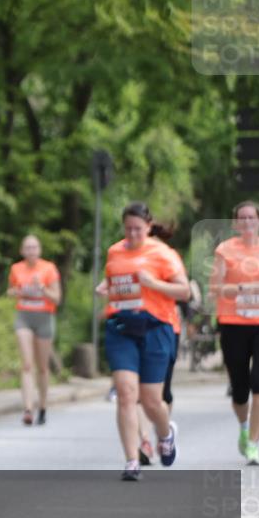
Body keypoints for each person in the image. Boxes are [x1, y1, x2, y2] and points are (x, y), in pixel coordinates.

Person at [103, 202, 190, 481]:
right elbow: (114, 282)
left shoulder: (163, 254)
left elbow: (184, 291)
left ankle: (165, 434)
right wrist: (105, 287)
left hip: (155, 328)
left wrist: (153, 283)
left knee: (152, 401)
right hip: (121, 327)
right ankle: (132, 461)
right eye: (128, 229)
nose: (132, 234)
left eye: (138, 229)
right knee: (126, 393)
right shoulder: (114, 252)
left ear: (149, 227)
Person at [210, 200, 259, 465]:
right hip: (233, 323)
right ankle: (244, 427)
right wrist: (242, 289)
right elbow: (215, 288)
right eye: (242, 218)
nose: (247, 222)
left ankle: (253, 443)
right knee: (240, 389)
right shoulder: (225, 250)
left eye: (252, 217)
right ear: (235, 223)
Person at [6, 235, 61, 425]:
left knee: (42, 367)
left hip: (44, 318)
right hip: (24, 317)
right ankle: (28, 409)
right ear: (22, 251)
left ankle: (43, 406)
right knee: (27, 365)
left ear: (39, 250)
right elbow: (10, 290)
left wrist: (42, 288)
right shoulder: (16, 268)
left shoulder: (48, 268)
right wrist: (16, 292)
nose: (31, 251)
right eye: (27, 247)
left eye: (34, 247)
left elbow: (57, 298)